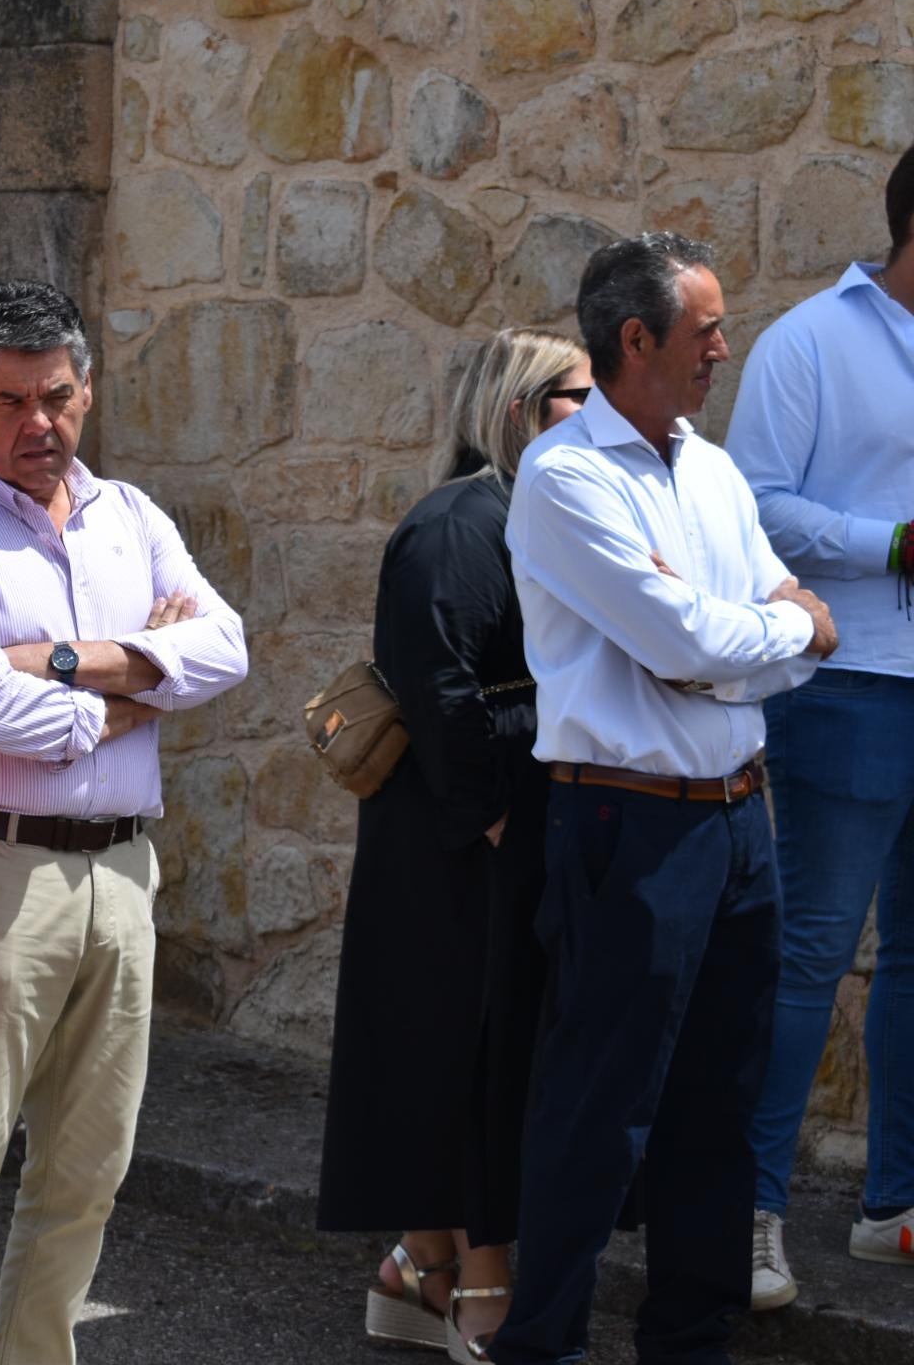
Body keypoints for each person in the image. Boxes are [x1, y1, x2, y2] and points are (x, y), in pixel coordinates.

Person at [0, 280, 249, 1365]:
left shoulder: (133, 516)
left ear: (88, 389)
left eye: (59, 396)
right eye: (10, 401)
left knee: (86, 1174)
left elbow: (229, 647)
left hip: (124, 872)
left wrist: (65, 661)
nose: (40, 423)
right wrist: (144, 684)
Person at [493, 232, 836, 1365]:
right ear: (634, 339)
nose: (724, 350)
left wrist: (753, 629)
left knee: (717, 1113)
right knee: (602, 1110)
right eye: (706, 331)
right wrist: (770, 629)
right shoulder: (566, 476)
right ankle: (541, 1346)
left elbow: (738, 629)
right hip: (628, 822)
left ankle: (688, 1346)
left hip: (741, 817)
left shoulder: (714, 467)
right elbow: (686, 640)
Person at [316, 328, 591, 1361]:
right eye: (578, 394)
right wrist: (492, 813)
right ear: (521, 408)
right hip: (459, 842)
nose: (599, 411)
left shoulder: (529, 515)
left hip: (484, 829)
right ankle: (474, 1273)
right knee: (465, 1052)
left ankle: (420, 1264)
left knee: (465, 1051)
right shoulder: (458, 523)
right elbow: (442, 690)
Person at [729, 144, 914, 1308]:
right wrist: (892, 544)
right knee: (807, 959)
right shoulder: (809, 341)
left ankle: (892, 1206)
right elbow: (756, 507)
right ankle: (749, 1217)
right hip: (851, 686)